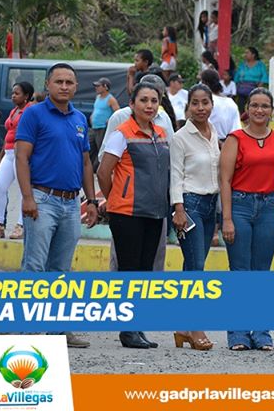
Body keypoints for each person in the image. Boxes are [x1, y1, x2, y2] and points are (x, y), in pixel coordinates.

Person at [15, 63, 98, 349]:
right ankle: (28, 332)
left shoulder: (79, 118)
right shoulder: (34, 114)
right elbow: (21, 157)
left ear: (76, 87)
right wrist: (27, 197)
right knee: (34, 266)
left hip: (71, 203)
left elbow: (85, 163)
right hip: (42, 199)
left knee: (61, 270)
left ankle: (59, 330)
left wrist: (91, 201)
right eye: (59, 81)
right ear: (48, 85)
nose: (64, 86)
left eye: (69, 82)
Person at [97, 82, 170, 350]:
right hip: (127, 213)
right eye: (143, 100)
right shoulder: (121, 133)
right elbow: (103, 172)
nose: (149, 105)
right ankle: (127, 330)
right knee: (129, 271)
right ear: (132, 103)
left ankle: (137, 327)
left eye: (154, 100)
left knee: (145, 271)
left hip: (154, 212)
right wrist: (115, 197)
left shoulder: (161, 133)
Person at [219, 88, 274, 351]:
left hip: (269, 207)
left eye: (265, 106)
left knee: (261, 273)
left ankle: (261, 332)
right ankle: (238, 333)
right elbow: (225, 180)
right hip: (240, 206)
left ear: (272, 110)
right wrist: (226, 218)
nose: (260, 110)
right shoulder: (235, 138)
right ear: (247, 109)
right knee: (240, 272)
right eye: (255, 105)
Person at [170, 84, 220, 351]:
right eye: (195, 103)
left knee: (191, 266)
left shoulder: (214, 133)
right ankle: (196, 328)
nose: (201, 108)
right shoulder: (180, 137)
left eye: (205, 103)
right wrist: (178, 209)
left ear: (212, 104)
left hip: (211, 205)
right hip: (189, 205)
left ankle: (182, 327)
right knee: (197, 268)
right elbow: (175, 175)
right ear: (188, 106)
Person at [0, 81, 33, 240]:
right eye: (13, 93)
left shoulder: (30, 111)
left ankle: (20, 225)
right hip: (8, 152)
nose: (13, 96)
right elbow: (8, 136)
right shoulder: (14, 110)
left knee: (22, 189)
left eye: (17, 93)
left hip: (21, 153)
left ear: (26, 96)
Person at [200, 69, 241, 141]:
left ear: (204, 83)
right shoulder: (231, 102)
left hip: (209, 142)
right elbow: (237, 129)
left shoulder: (206, 102)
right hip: (229, 142)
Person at [90, 77, 119, 170]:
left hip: (102, 128)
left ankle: (101, 169)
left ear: (105, 87)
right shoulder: (98, 97)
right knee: (90, 148)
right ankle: (90, 168)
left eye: (98, 86)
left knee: (101, 149)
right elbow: (96, 109)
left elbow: (117, 112)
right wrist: (92, 117)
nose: (96, 88)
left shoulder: (111, 99)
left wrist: (109, 120)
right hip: (94, 127)